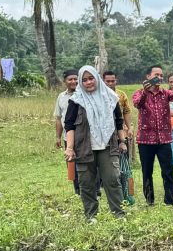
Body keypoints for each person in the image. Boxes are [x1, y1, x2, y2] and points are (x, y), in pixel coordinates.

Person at [64, 65, 127, 219]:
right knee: (86, 184)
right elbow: (70, 125)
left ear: (97, 79)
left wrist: (122, 141)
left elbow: (118, 122)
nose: (88, 82)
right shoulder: (75, 100)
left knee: (112, 179)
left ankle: (118, 215)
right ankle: (91, 216)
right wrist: (70, 148)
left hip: (108, 147)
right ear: (80, 82)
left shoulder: (110, 97)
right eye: (84, 80)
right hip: (84, 148)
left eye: (91, 78)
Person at [132, 65, 173, 207]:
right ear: (148, 76)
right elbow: (138, 104)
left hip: (164, 139)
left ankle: (170, 200)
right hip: (145, 140)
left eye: (162, 75)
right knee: (147, 171)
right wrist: (146, 91)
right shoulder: (139, 93)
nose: (160, 77)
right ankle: (149, 200)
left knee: (168, 171)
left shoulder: (165, 93)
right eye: (157, 74)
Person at [104, 70, 135, 206]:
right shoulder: (100, 95)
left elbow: (126, 112)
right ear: (103, 81)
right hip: (105, 135)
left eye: (113, 81)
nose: (110, 83)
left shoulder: (121, 95)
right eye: (107, 81)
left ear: (116, 80)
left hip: (120, 133)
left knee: (124, 165)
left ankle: (127, 192)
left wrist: (130, 128)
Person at [54, 69, 79, 149]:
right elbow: (59, 118)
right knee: (70, 159)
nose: (73, 81)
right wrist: (58, 137)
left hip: (83, 138)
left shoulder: (85, 95)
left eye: (75, 79)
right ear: (64, 81)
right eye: (70, 79)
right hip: (67, 137)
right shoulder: (61, 97)